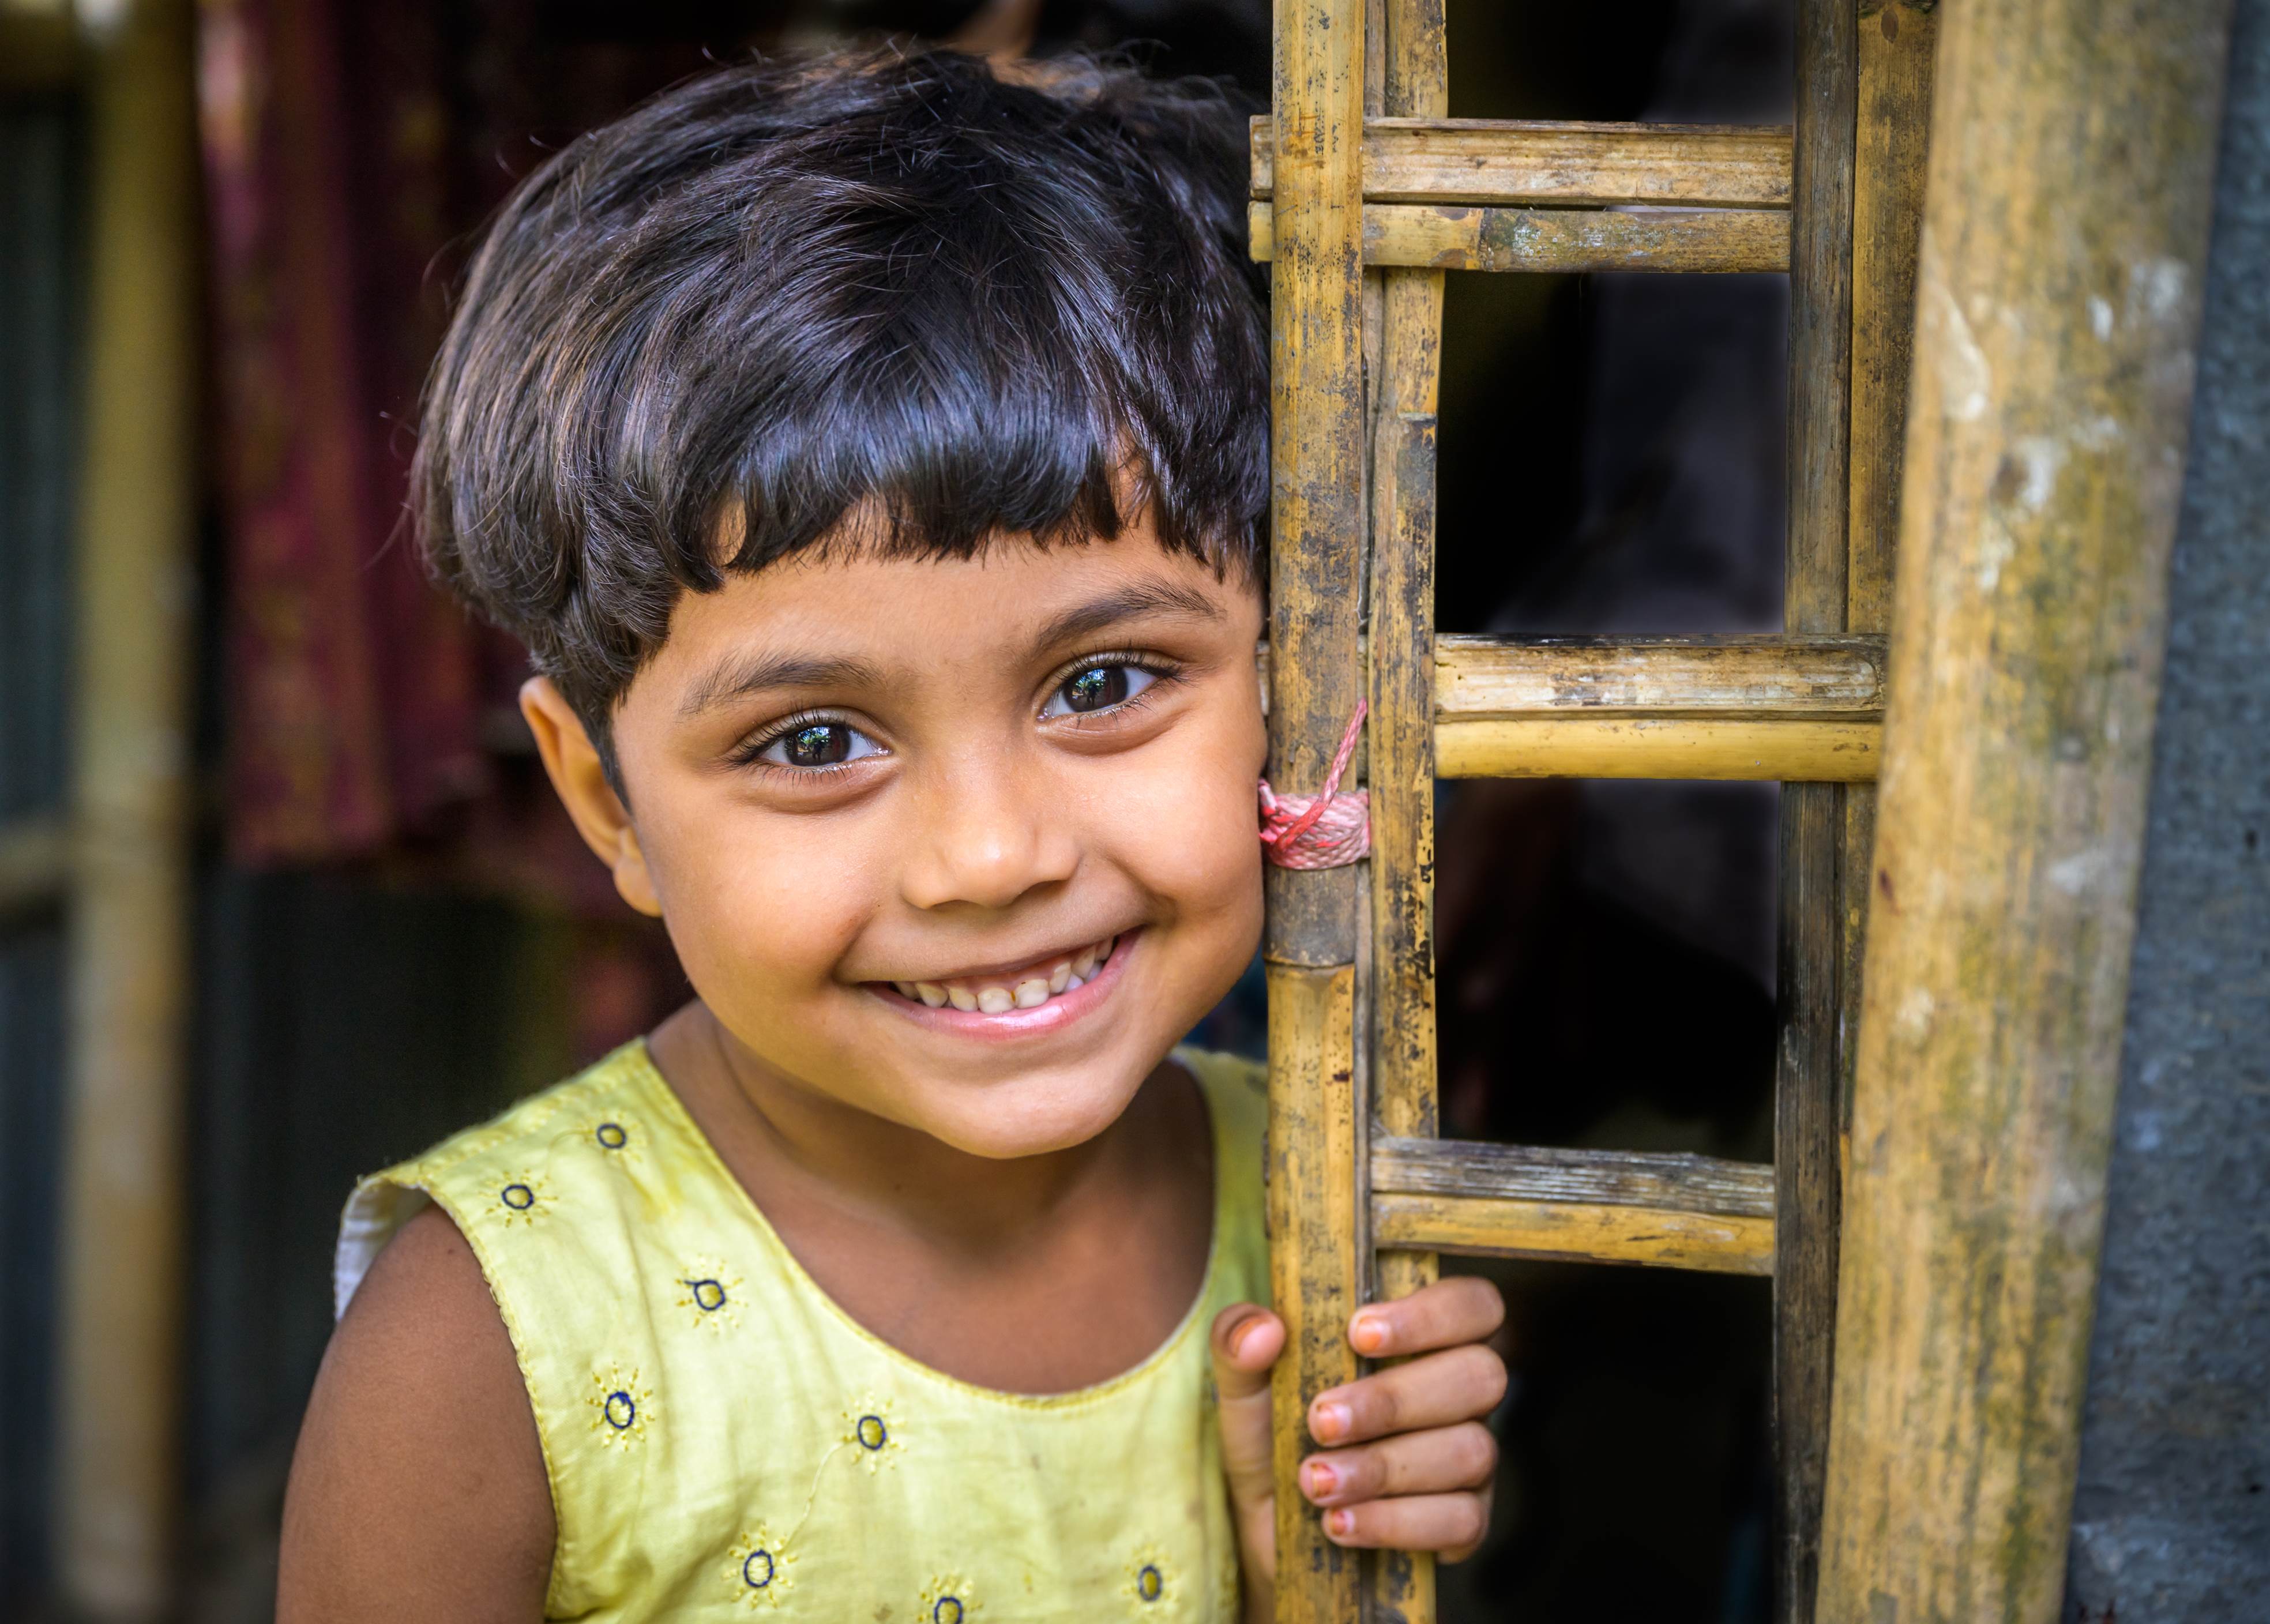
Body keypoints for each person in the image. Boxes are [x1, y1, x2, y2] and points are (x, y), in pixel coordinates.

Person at [276, 48, 1506, 1624]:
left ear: (1288, 676)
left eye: (1105, 683)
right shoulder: (489, 1342)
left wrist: (1315, 1579)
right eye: (812, 741)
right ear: (606, 804)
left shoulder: (1322, 1202)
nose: (988, 858)